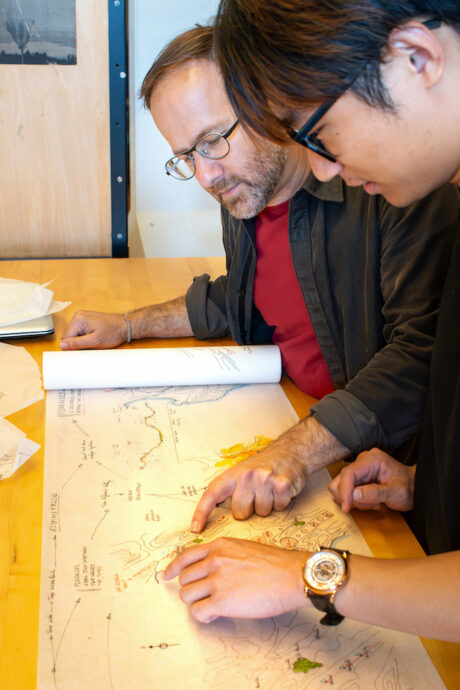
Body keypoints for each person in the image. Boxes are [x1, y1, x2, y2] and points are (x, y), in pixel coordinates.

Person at [61, 26, 457, 539]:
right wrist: (130, 324)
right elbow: (245, 298)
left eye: (212, 141)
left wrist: (295, 450)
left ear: (268, 103)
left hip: (386, 477)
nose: (205, 177)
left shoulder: (394, 183)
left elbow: (420, 354)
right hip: (296, 423)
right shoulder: (245, 193)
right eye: (186, 156)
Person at [161, 2, 460, 642]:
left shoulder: (411, 194)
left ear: (417, 58)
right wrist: (429, 486)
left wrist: (311, 575)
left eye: (313, 130)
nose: (321, 167)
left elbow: (417, 354)